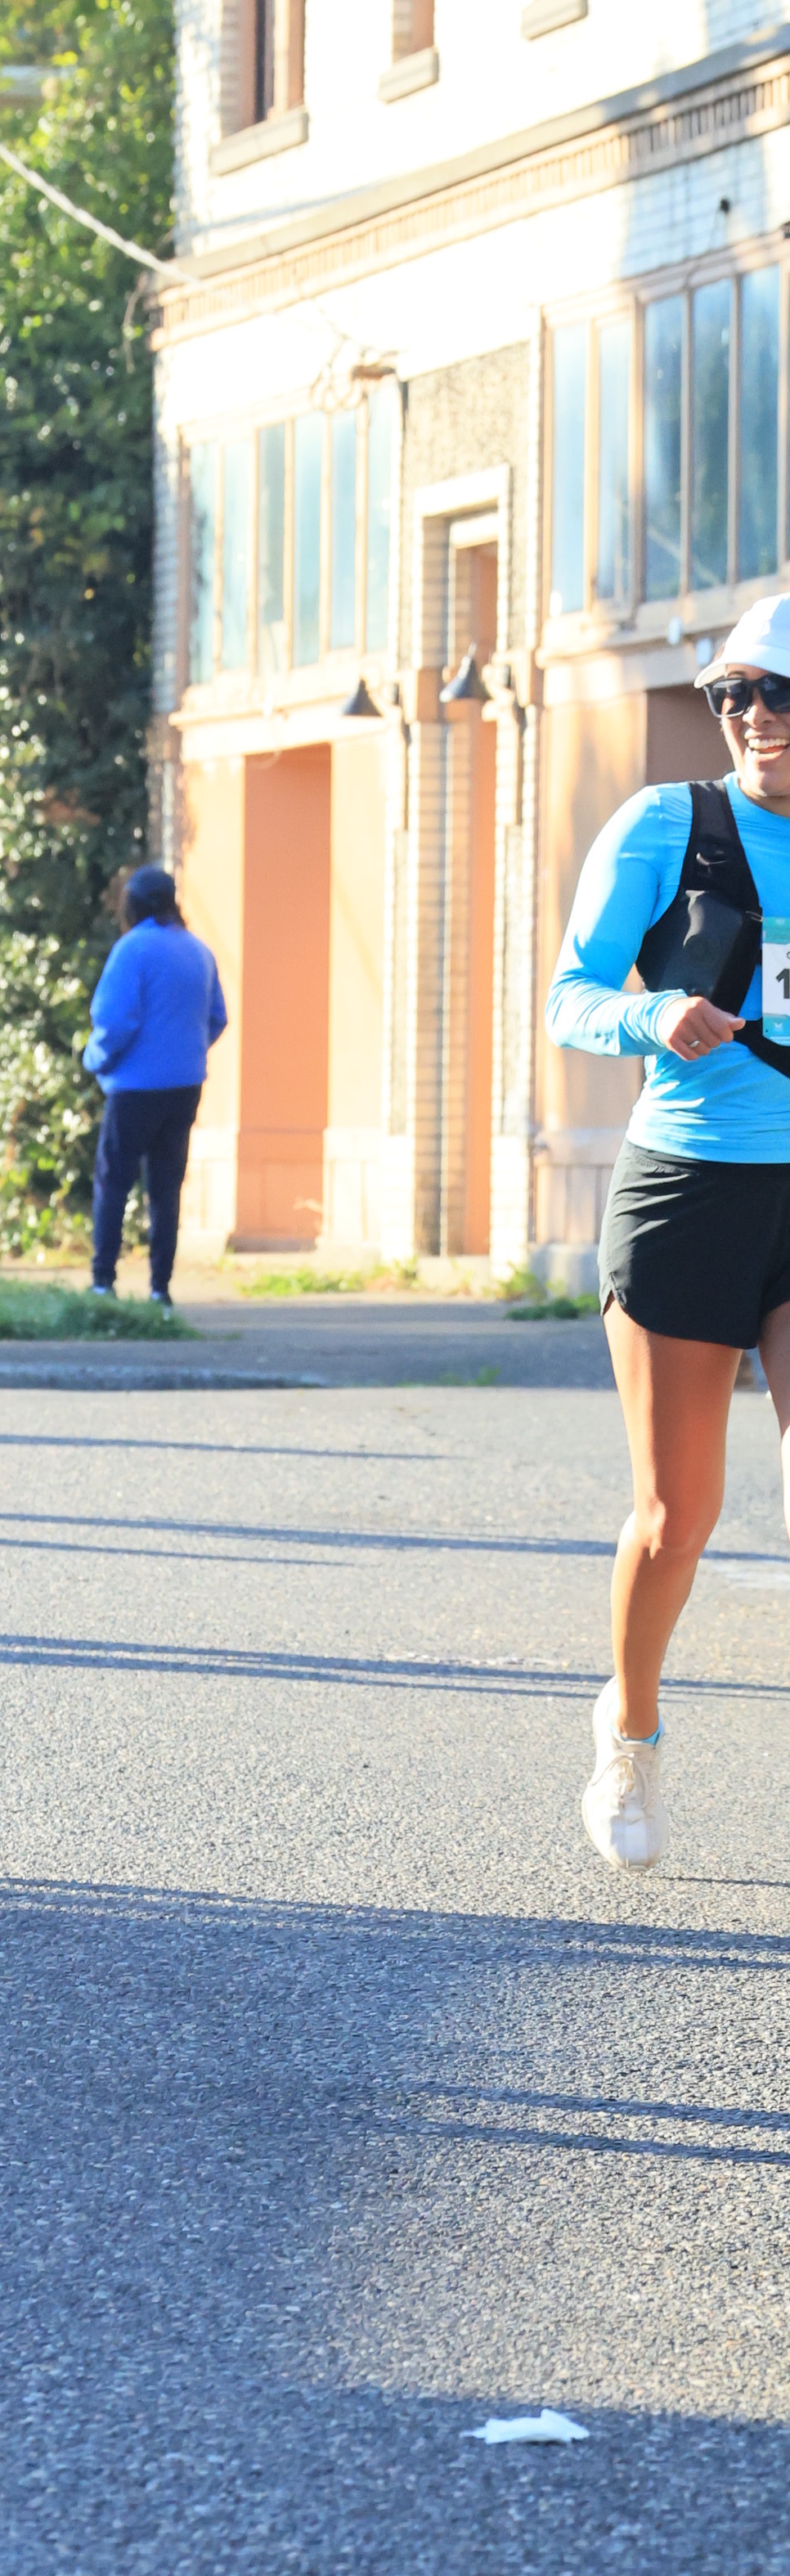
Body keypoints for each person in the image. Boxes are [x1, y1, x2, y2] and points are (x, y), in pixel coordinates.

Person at [546, 594, 790, 1871]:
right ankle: (629, 1731)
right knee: (676, 1514)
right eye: (734, 694)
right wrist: (654, 1018)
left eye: (778, 693)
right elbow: (571, 997)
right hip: (690, 1190)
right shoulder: (667, 825)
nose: (754, 716)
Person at [83, 865, 227, 1307]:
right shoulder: (199, 951)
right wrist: (185, 1052)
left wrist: (95, 1060)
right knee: (166, 1187)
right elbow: (217, 1018)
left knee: (114, 1181)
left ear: (133, 906)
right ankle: (160, 1289)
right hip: (185, 1086)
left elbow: (116, 1021)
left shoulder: (132, 950)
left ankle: (103, 1282)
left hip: (134, 1087)